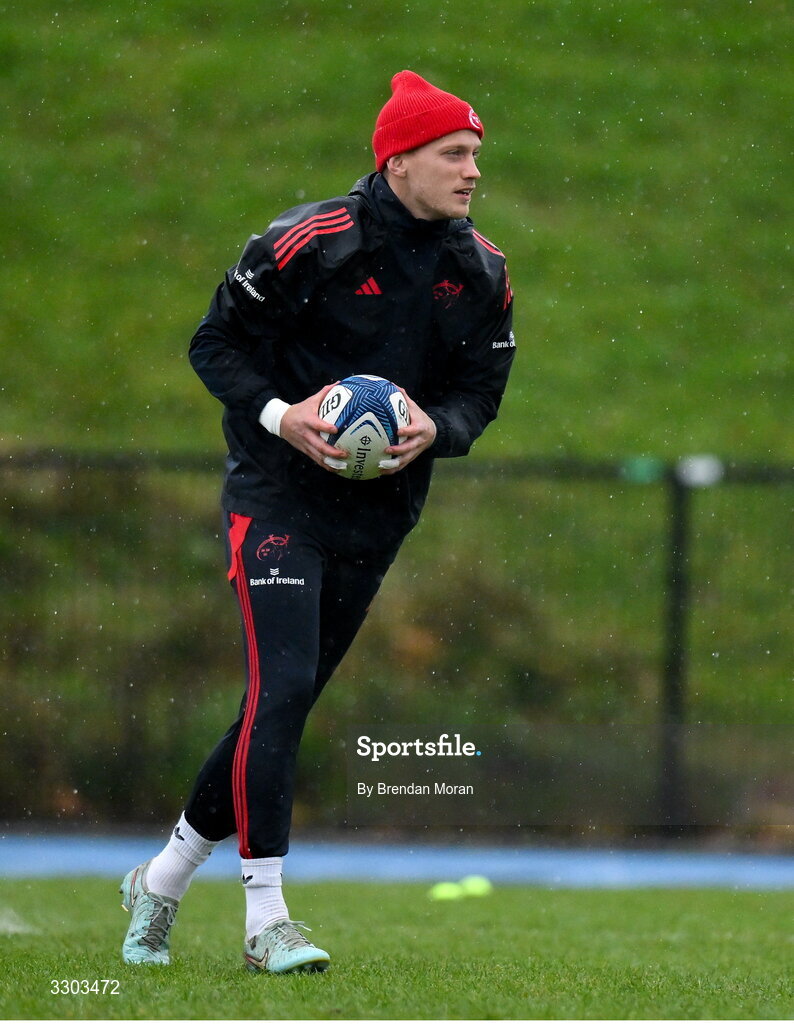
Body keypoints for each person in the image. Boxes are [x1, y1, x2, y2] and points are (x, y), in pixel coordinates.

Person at [119, 69, 515, 974]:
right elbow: (212, 344)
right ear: (399, 159)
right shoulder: (309, 241)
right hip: (275, 498)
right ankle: (267, 922)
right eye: (453, 154)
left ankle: (163, 878)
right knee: (284, 690)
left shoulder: (480, 268)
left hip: (377, 519)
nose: (470, 172)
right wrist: (283, 417)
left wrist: (435, 431)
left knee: (277, 704)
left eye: (476, 156)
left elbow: (480, 393)